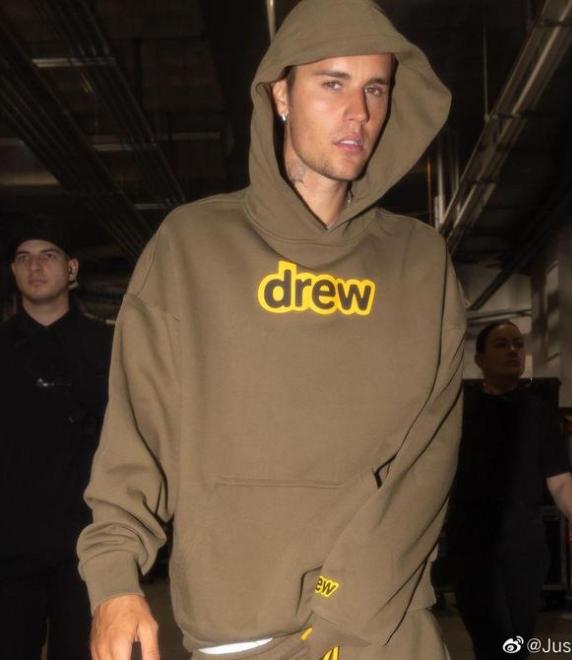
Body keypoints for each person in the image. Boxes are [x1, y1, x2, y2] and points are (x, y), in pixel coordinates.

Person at [78, 1, 466, 659]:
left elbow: (434, 450)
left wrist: (347, 601)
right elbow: (138, 433)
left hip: (383, 625)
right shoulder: (193, 245)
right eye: (333, 83)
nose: (359, 112)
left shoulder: (420, 260)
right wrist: (113, 579)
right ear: (281, 95)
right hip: (240, 626)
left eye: (376, 88)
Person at [0, 215, 113, 660]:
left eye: (47, 255)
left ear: (71, 268)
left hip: (85, 549)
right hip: (8, 550)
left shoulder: (108, 348)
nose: (35, 266)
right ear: (13, 270)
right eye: (23, 258)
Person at [446, 321, 572, 660]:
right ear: (479, 359)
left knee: (517, 644)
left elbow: (559, 477)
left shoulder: (538, 412)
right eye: (501, 344)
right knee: (494, 641)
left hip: (525, 544)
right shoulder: (459, 410)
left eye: (517, 344)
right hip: (472, 542)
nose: (513, 351)